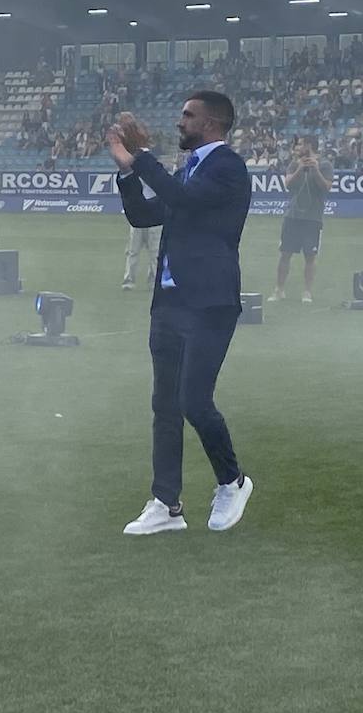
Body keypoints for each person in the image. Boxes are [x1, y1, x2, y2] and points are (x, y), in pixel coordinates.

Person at [107, 92, 254, 536]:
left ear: (211, 124)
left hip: (209, 304)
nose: (180, 122)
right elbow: (142, 215)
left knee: (194, 400)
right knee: (165, 406)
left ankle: (233, 480)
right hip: (170, 304)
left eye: (187, 116)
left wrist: (141, 155)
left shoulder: (228, 167)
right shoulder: (188, 171)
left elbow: (182, 201)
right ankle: (166, 504)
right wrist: (127, 169)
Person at [270, 135, 332, 304]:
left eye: (301, 144)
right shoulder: (293, 164)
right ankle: (279, 289)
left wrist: (315, 169)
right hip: (293, 216)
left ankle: (307, 292)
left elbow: (326, 187)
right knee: (285, 254)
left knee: (310, 256)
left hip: (313, 218)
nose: (298, 147)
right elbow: (288, 184)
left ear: (310, 145)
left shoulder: (325, 164)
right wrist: (300, 169)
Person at [123, 223, 161, 290]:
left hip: (154, 222)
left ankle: (153, 282)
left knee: (155, 254)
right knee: (133, 252)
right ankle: (128, 281)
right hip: (138, 222)